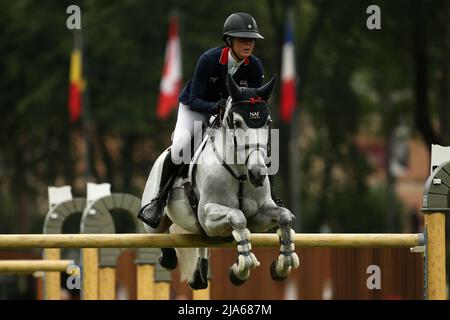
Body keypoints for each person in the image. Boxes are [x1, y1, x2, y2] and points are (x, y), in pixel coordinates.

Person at [138, 12, 283, 229]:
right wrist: (214, 107)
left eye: (251, 40)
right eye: (243, 39)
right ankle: (158, 201)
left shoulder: (255, 67)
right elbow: (195, 98)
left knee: (257, 148)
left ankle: (271, 197)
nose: (248, 44)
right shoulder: (209, 60)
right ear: (229, 40)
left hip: (230, 115)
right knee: (180, 148)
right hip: (196, 108)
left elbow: (252, 102)